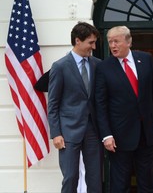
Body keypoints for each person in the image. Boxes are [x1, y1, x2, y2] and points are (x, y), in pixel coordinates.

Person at [95, 26, 153, 193]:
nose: (112, 45)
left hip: (146, 131)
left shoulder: (146, 59)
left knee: (147, 180)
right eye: (110, 42)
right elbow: (100, 104)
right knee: (120, 183)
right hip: (119, 135)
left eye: (116, 41)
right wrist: (106, 135)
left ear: (129, 41)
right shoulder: (104, 67)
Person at [47, 22, 103, 193]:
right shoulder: (60, 66)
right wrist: (56, 133)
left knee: (95, 178)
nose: (93, 47)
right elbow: (53, 103)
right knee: (70, 177)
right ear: (78, 41)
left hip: (93, 130)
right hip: (68, 131)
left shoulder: (98, 64)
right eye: (90, 43)